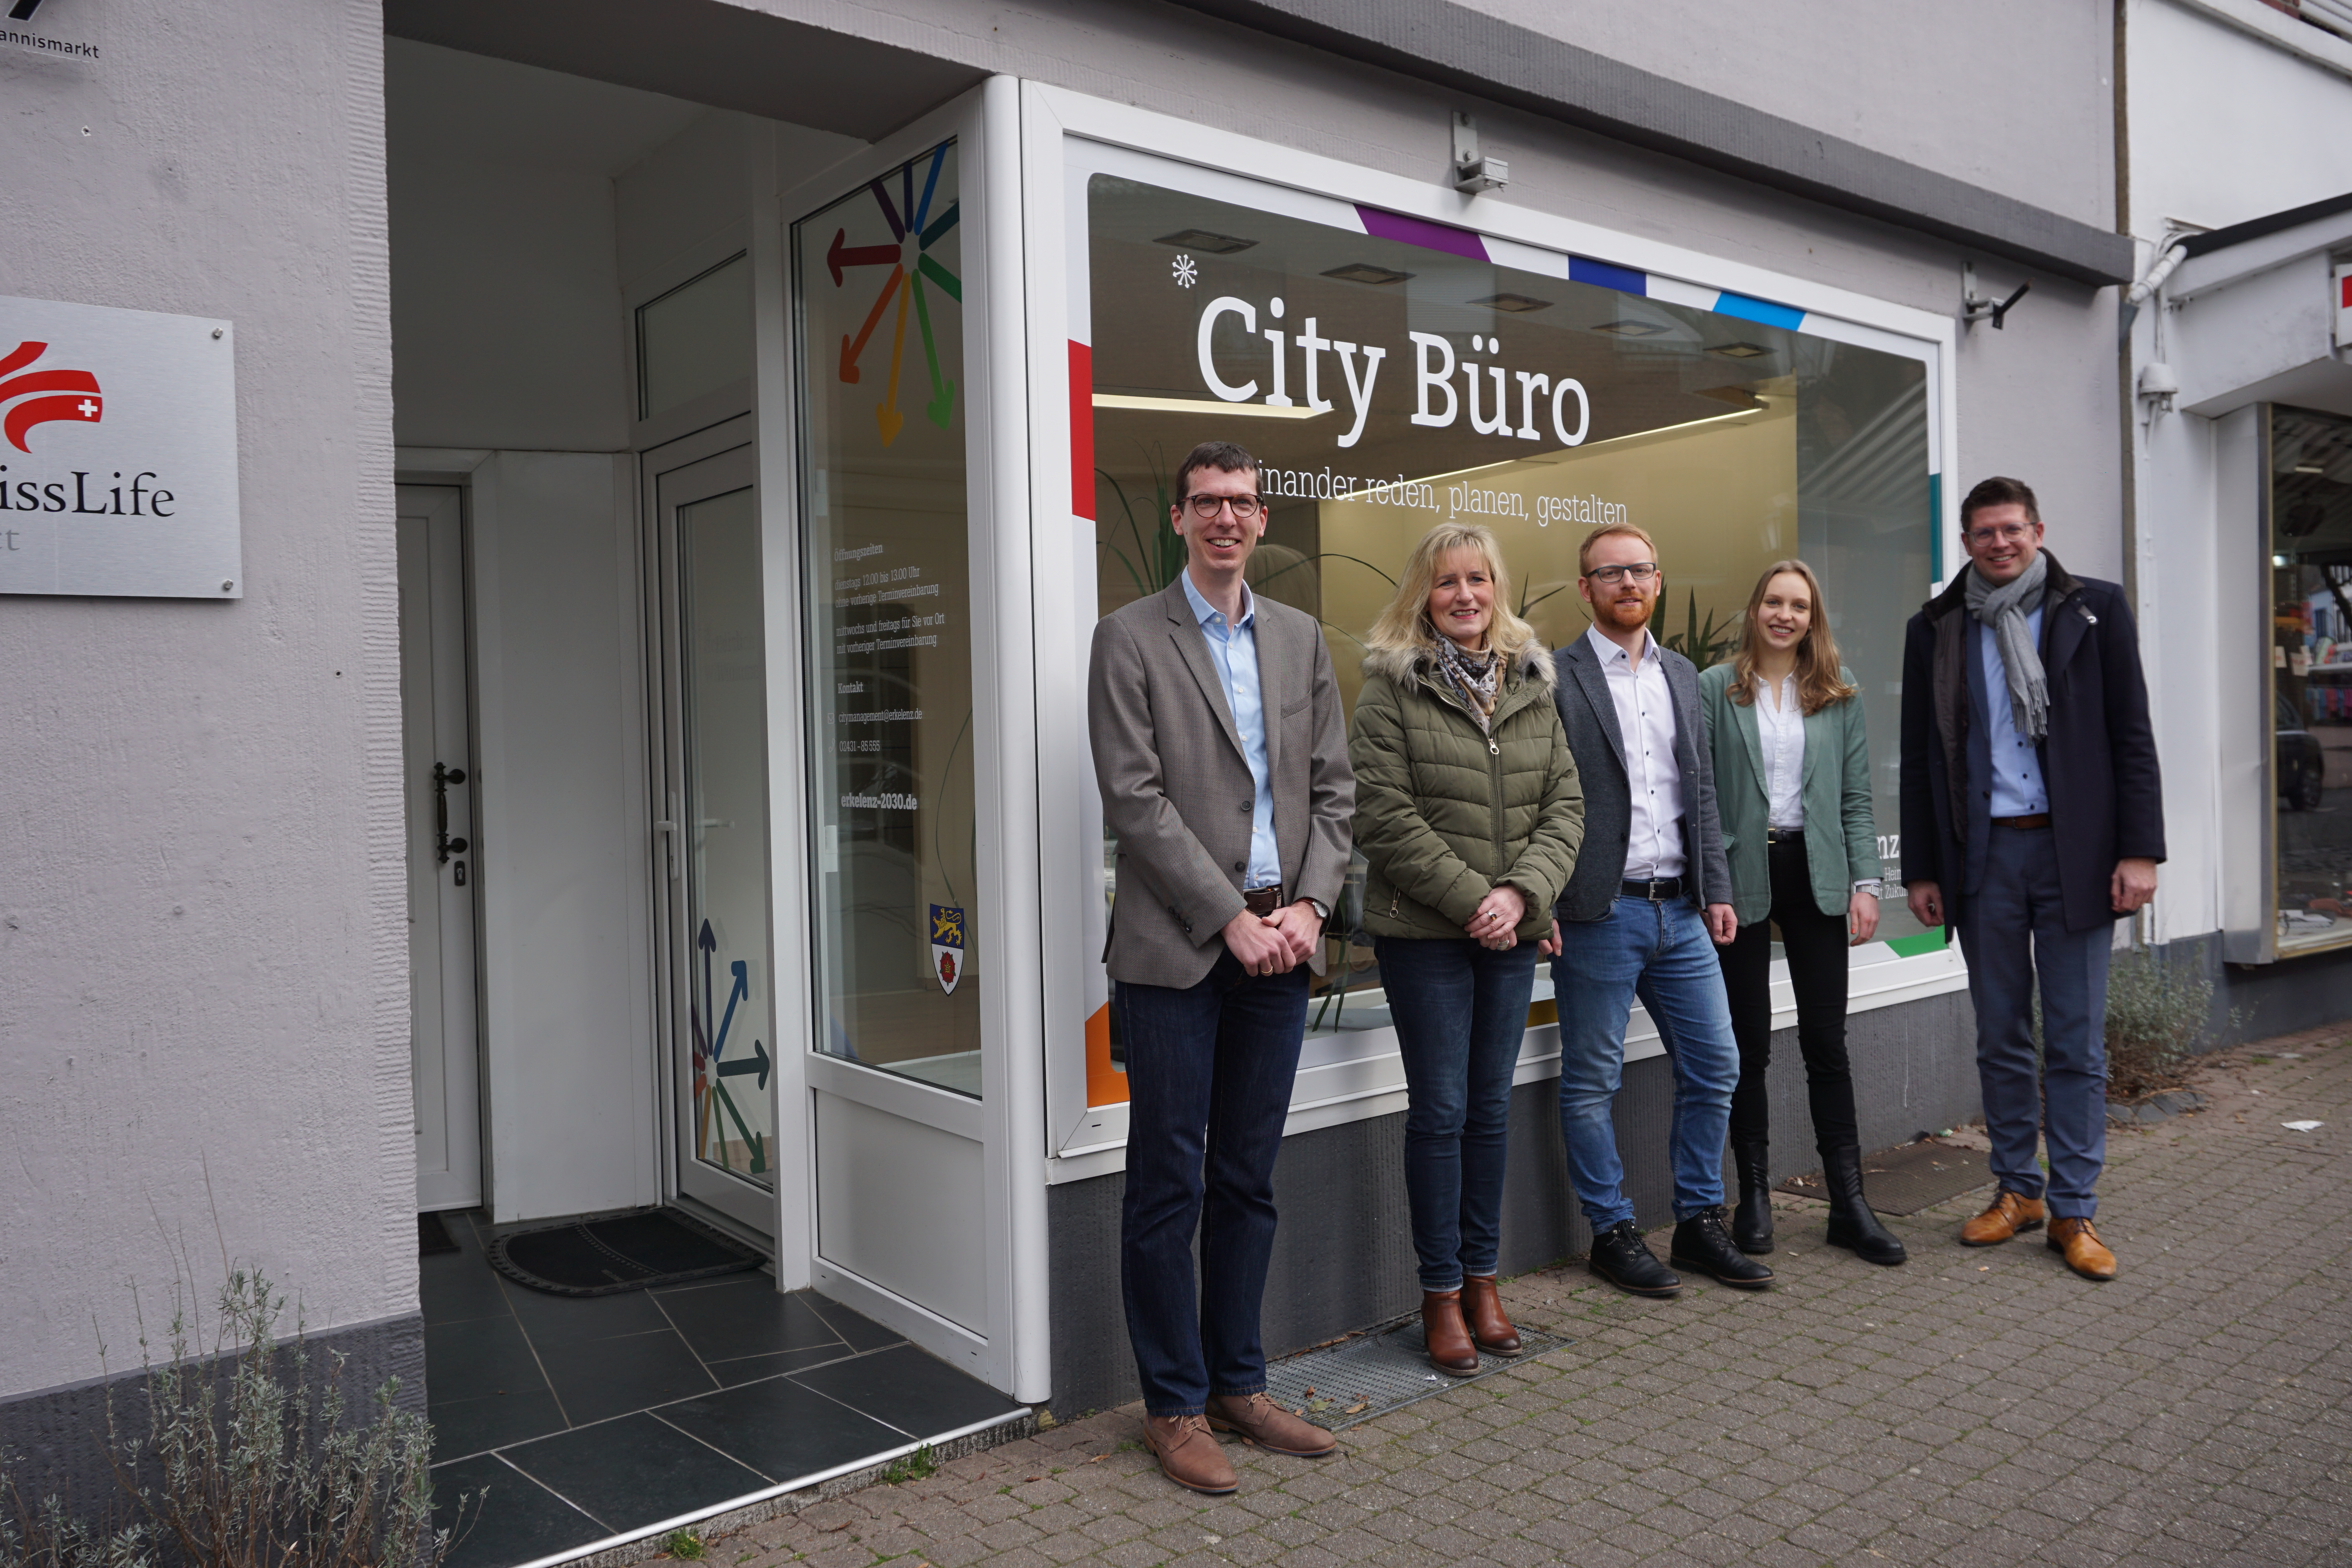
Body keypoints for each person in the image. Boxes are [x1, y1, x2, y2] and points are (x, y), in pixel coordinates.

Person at [1086, 439, 1356, 1493]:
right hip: (1176, 953)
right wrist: (1228, 919)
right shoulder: (1129, 638)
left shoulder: (1299, 637)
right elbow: (1134, 800)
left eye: (1241, 502)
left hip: (1283, 946)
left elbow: (1332, 792)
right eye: (1206, 502)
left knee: (1247, 1177)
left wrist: (1311, 905)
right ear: (1180, 517)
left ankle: (1241, 1385)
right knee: (1167, 1182)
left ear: (1262, 517)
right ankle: (1174, 1405)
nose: (1225, 519)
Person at [1899, 476, 2162, 1282]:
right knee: (2001, 1034)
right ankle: (2019, 1189)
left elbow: (2131, 733)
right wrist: (1923, 870)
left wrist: (2140, 851)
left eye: (2012, 529)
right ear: (1967, 542)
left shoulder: (2094, 609)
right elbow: (1920, 755)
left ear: (2037, 531)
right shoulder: (1938, 625)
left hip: (2075, 854)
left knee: (2076, 1041)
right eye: (1984, 532)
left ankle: (2075, 1208)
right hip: (1984, 857)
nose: (1999, 543)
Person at [1349, 523, 1585, 1375]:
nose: (1464, 595)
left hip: (1510, 931)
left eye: (1477, 579)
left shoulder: (1531, 681)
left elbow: (1565, 805)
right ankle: (1441, 1294)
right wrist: (1475, 900)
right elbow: (1382, 814)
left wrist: (1521, 895)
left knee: (1490, 1109)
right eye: (1447, 581)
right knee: (1441, 1112)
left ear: (1496, 588)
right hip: (1426, 939)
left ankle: (1485, 1281)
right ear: (1424, 593)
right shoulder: (1390, 688)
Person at [1548, 521, 1773, 1296]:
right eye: (1610, 573)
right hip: (1597, 913)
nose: (1628, 583)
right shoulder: (1555, 676)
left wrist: (1717, 889)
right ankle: (1611, 1231)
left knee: (1717, 1066)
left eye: (1640, 570)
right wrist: (1544, 899)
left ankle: (1698, 1223)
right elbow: (1539, 799)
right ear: (1586, 588)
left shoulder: (1682, 673)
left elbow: (1699, 791)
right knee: (1591, 1082)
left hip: (1680, 912)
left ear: (1658, 579)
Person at [1699, 561, 1905, 1267]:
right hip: (1740, 876)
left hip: (1818, 874)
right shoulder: (1715, 689)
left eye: (1799, 606)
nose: (1785, 615)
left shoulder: (1838, 694)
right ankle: (1753, 1196)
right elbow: (1702, 796)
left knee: (1826, 1042)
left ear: (1813, 618)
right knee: (1747, 1044)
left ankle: (1849, 1203)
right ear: (1755, 609)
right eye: (1774, 602)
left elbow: (1856, 800)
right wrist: (1710, 883)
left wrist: (1867, 884)